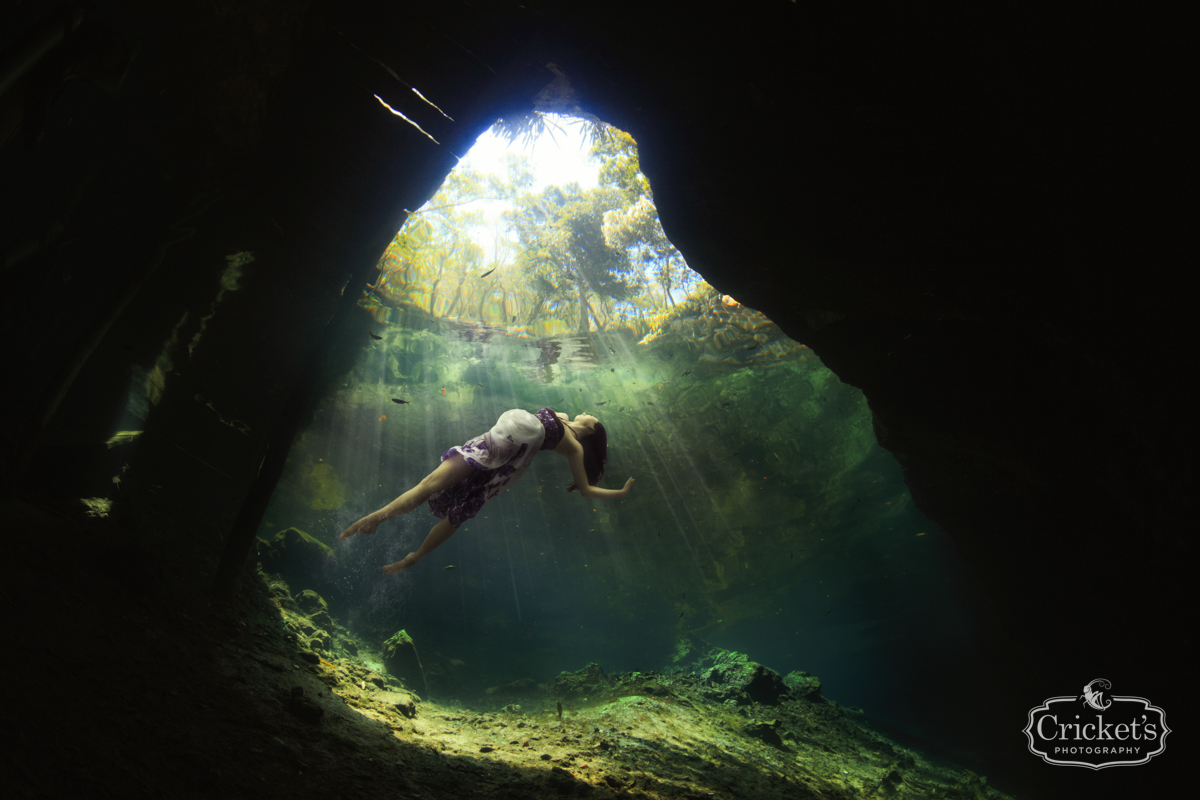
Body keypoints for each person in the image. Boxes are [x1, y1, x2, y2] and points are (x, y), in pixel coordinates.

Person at [338, 408, 634, 573]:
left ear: (594, 429)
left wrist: (619, 493)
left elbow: (585, 489)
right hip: (496, 440)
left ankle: (415, 556)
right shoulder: (565, 416)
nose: (588, 411)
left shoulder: (574, 448)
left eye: (593, 415)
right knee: (429, 485)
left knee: (458, 513)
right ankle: (375, 519)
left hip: (511, 453)